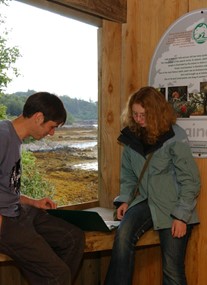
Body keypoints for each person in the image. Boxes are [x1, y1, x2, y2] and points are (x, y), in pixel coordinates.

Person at [104, 86, 200, 285]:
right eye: (135, 115)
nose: (138, 120)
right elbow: (129, 175)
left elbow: (190, 180)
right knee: (122, 238)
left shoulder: (175, 136)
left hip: (173, 206)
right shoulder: (132, 137)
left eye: (143, 115)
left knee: (172, 271)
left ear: (156, 112)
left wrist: (182, 217)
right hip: (145, 201)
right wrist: (124, 200)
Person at [0, 92, 85, 285]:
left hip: (18, 212)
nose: (52, 132)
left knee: (73, 238)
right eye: (52, 126)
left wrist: (33, 202)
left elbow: (6, 189)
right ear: (38, 117)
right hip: (5, 223)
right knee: (58, 275)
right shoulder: (2, 136)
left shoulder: (14, 138)